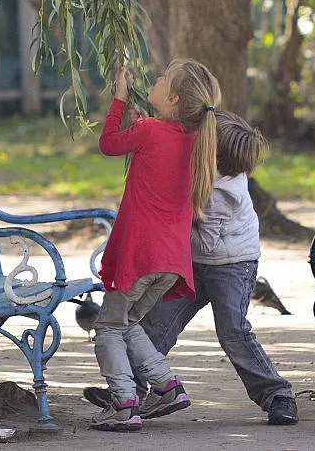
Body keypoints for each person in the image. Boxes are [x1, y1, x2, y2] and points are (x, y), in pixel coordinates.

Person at [84, 110, 299, 426]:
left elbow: (205, 242)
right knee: (155, 324)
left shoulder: (223, 193)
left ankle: (277, 395)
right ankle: (129, 388)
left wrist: (168, 228)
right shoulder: (204, 170)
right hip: (194, 263)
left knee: (233, 331)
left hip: (231, 266)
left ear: (211, 155)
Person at [90, 59, 221, 432]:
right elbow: (156, 146)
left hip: (140, 256)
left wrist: (118, 98)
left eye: (162, 79)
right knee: (128, 322)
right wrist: (141, 121)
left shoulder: (148, 131)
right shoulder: (197, 140)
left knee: (108, 328)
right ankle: (166, 387)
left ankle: (124, 403)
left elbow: (108, 144)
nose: (157, 78)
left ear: (174, 97)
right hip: (170, 261)